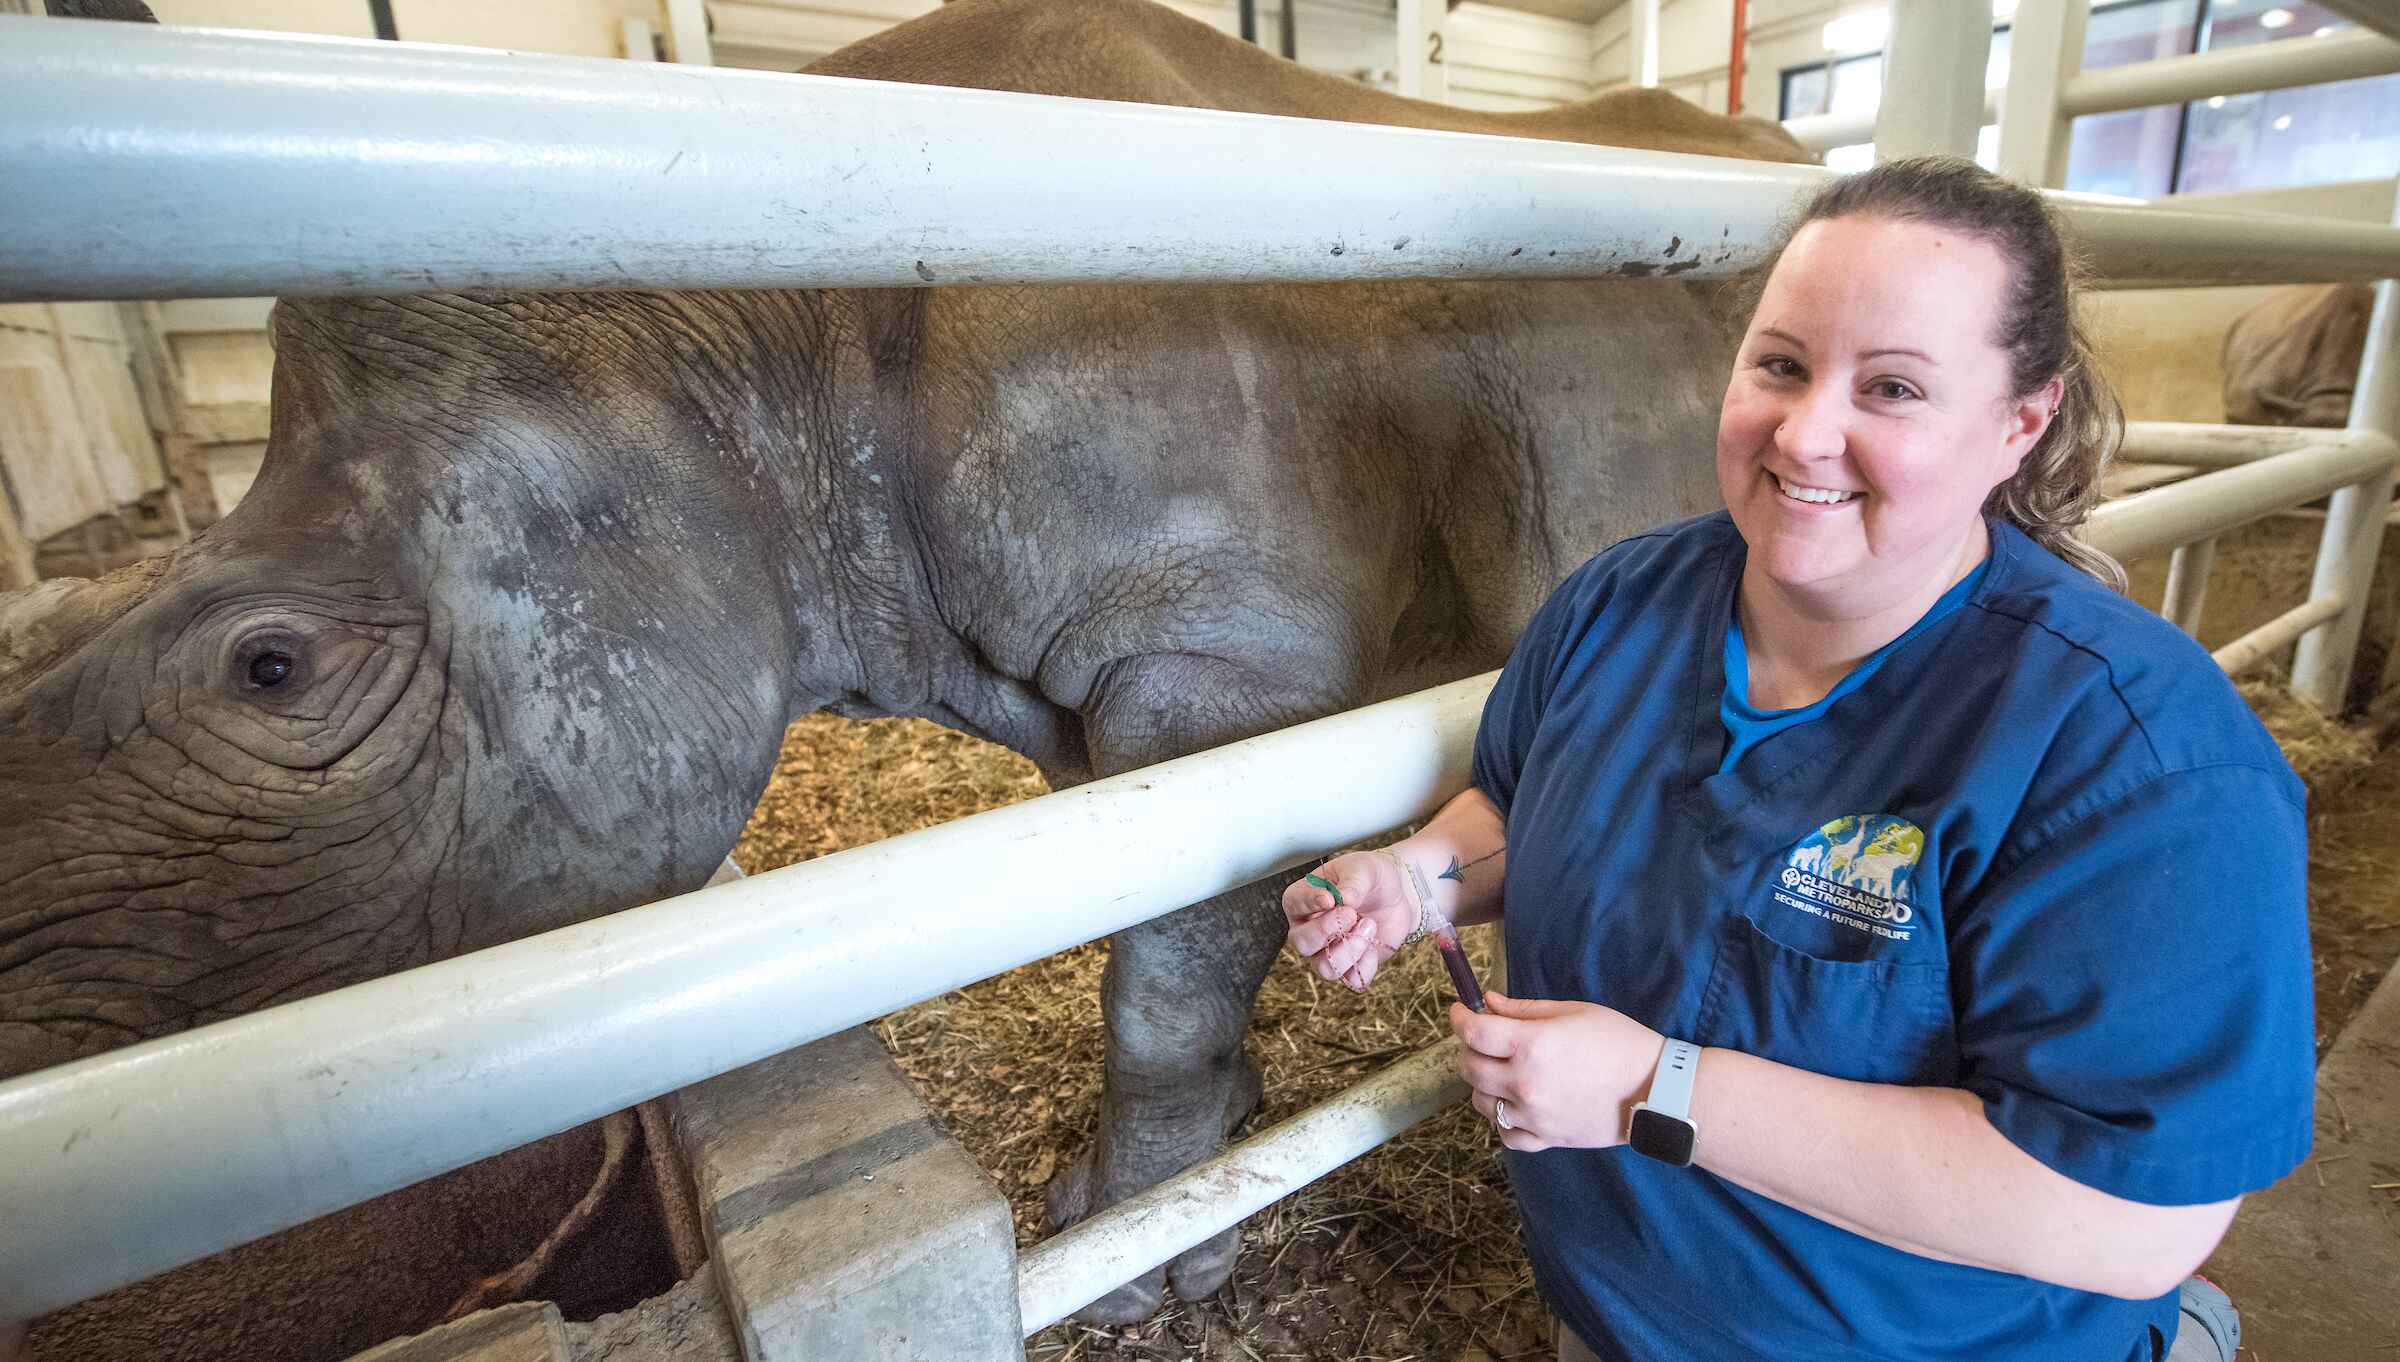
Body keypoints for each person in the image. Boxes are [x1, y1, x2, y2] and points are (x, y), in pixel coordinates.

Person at [1282, 157, 2311, 1362]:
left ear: (2020, 423)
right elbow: (1521, 802)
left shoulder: (2138, 758)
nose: (1806, 432)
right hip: (1615, 1319)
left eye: (1893, 387)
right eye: (1780, 364)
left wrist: (1653, 1090)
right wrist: (1419, 879)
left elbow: (2132, 1218)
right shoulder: (1619, 603)